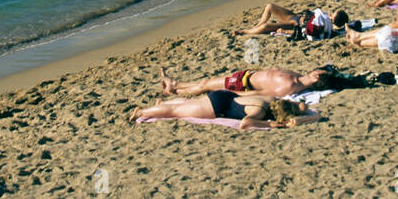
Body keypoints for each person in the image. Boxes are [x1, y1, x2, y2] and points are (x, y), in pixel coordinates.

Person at [132, 92, 318, 129]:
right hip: (217, 107)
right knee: (175, 112)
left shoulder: (271, 100)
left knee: (185, 104)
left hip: (224, 97)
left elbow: (304, 107)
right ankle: (141, 112)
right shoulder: (260, 111)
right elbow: (245, 123)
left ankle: (160, 104)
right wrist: (268, 124)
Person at [159, 66, 330, 98]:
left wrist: (237, 93)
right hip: (246, 76)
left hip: (242, 84)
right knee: (207, 83)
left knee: (206, 85)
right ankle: (175, 86)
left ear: (316, 78)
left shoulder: (290, 86)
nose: (317, 69)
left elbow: (262, 93)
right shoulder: (297, 77)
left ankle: (175, 86)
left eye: (319, 71)